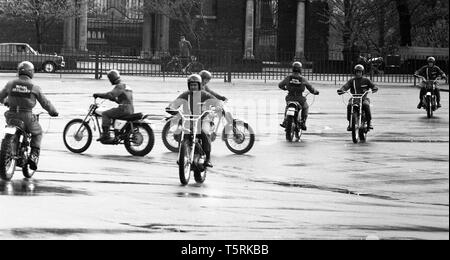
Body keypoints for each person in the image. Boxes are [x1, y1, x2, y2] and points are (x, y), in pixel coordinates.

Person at [0, 61, 59, 170]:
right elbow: (45, 103)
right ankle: (33, 156)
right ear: (31, 72)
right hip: (26, 116)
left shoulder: (10, 84)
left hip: (11, 116)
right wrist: (53, 111)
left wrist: (6, 102)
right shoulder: (34, 87)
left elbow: (0, 97)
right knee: (38, 133)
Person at [166, 74, 222, 168]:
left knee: (204, 133)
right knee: (181, 133)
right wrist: (170, 107)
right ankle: (182, 154)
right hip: (189, 119)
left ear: (199, 85)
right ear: (188, 86)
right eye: (191, 85)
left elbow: (216, 101)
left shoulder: (204, 94)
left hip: (203, 118)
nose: (193, 87)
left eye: (195, 85)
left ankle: (208, 158)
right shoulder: (185, 94)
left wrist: (218, 106)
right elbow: (175, 102)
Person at [93, 70, 134, 144]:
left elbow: (110, 94)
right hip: (130, 109)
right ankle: (117, 133)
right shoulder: (126, 86)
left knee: (105, 114)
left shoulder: (120, 86)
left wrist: (98, 95)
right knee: (113, 113)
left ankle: (106, 135)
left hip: (123, 109)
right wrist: (114, 99)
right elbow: (122, 99)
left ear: (112, 79)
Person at [279, 62, 319, 131]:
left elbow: (280, 85)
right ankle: (303, 122)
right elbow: (310, 88)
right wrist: (315, 92)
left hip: (289, 97)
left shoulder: (288, 77)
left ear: (293, 69)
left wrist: (284, 88)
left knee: (287, 107)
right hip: (300, 98)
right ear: (300, 69)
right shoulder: (303, 79)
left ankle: (285, 121)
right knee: (306, 107)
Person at [337, 64, 378, 131]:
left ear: (362, 72)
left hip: (364, 98)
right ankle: (350, 123)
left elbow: (373, 86)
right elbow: (345, 86)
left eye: (360, 72)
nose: (358, 73)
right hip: (354, 98)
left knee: (366, 105)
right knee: (350, 105)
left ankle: (369, 122)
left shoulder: (366, 80)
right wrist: (341, 90)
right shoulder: (352, 81)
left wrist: (374, 88)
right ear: (355, 72)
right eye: (357, 72)